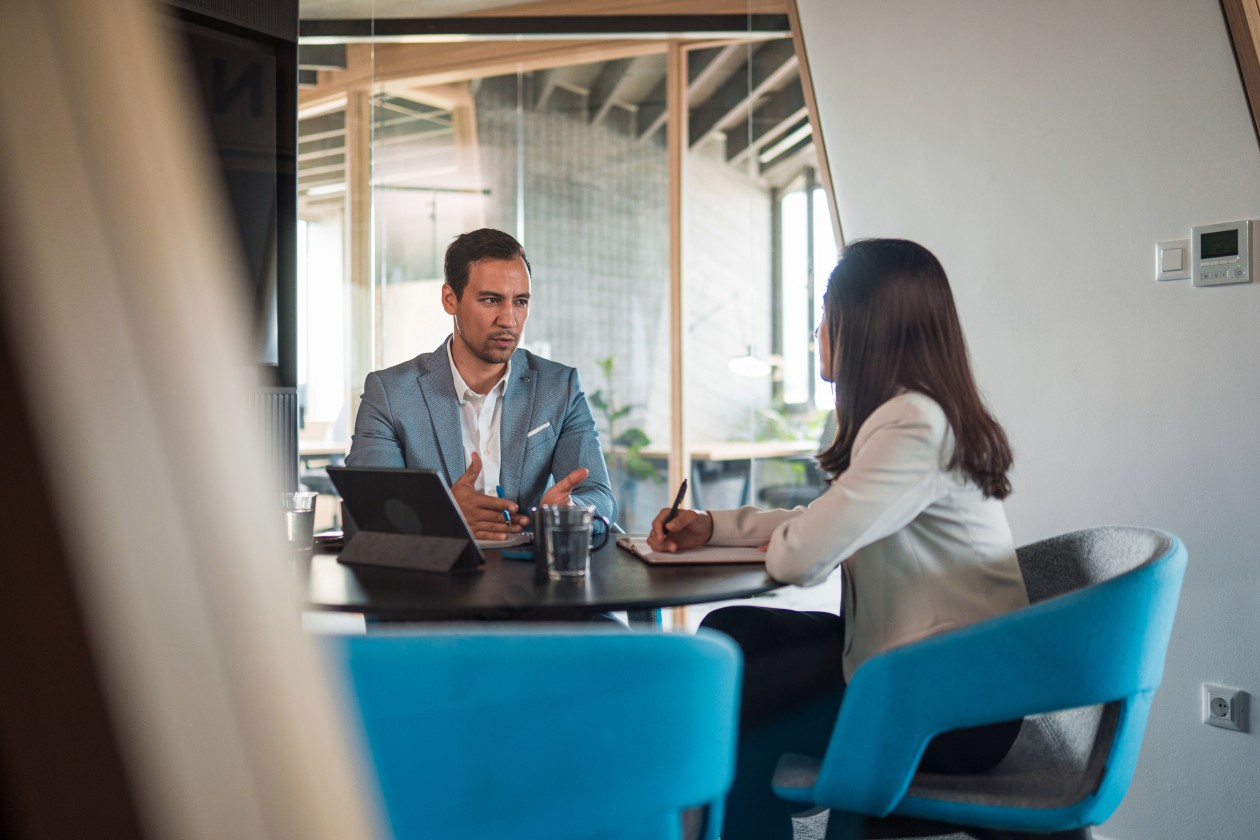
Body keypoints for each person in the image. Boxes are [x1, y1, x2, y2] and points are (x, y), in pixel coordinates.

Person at [648, 239, 1029, 839]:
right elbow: (826, 518)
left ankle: (706, 802)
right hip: (917, 662)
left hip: (947, 698)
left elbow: (803, 554)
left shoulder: (913, 425)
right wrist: (715, 526)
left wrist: (794, 535)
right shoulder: (912, 415)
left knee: (734, 716)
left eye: (826, 312)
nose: (817, 330)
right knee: (731, 632)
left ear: (867, 324)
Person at [347, 228, 616, 538]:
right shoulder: (391, 393)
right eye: (491, 300)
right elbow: (368, 507)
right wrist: (442, 512)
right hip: (433, 579)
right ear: (450, 300)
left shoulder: (559, 387)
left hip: (532, 577)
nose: (509, 319)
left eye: (520, 302)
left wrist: (569, 513)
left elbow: (599, 496)